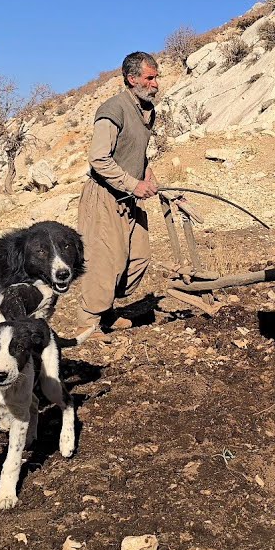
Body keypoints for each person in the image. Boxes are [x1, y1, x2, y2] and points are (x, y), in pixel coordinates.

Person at [74, 52, 160, 343]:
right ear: (132, 78)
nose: (156, 84)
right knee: (103, 261)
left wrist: (148, 176)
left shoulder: (147, 111)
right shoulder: (113, 109)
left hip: (129, 197)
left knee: (138, 257)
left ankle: (106, 309)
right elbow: (99, 158)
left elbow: (137, 153)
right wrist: (132, 184)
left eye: (156, 77)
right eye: (150, 78)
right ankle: (88, 324)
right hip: (104, 197)